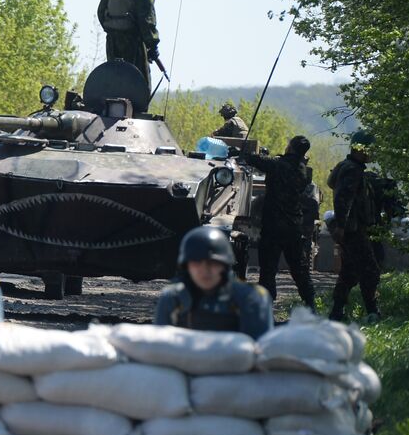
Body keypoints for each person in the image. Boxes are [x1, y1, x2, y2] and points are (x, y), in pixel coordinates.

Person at [235, 135, 318, 309]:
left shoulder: (279, 165)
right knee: (299, 268)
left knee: (268, 269)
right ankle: (310, 302)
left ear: (292, 148)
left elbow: (259, 161)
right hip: (293, 226)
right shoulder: (301, 169)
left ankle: (266, 304)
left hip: (274, 225)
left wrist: (242, 154)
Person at [154, 226, 272, 338]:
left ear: (224, 266)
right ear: (186, 267)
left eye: (213, 263)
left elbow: (259, 350)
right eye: (196, 263)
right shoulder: (173, 297)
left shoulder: (250, 297)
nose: (205, 270)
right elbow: (160, 348)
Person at [96, 0, 168, 90]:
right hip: (133, 42)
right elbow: (147, 18)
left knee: (115, 83)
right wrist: (152, 45)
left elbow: (101, 10)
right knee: (140, 87)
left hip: (112, 41)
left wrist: (113, 30)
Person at [327, 130, 381, 322]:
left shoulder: (348, 167)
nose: (372, 153)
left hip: (352, 229)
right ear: (360, 149)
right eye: (369, 149)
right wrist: (341, 226)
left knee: (349, 272)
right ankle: (373, 312)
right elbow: (344, 199)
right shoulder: (352, 170)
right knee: (370, 270)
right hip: (352, 230)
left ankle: (336, 311)